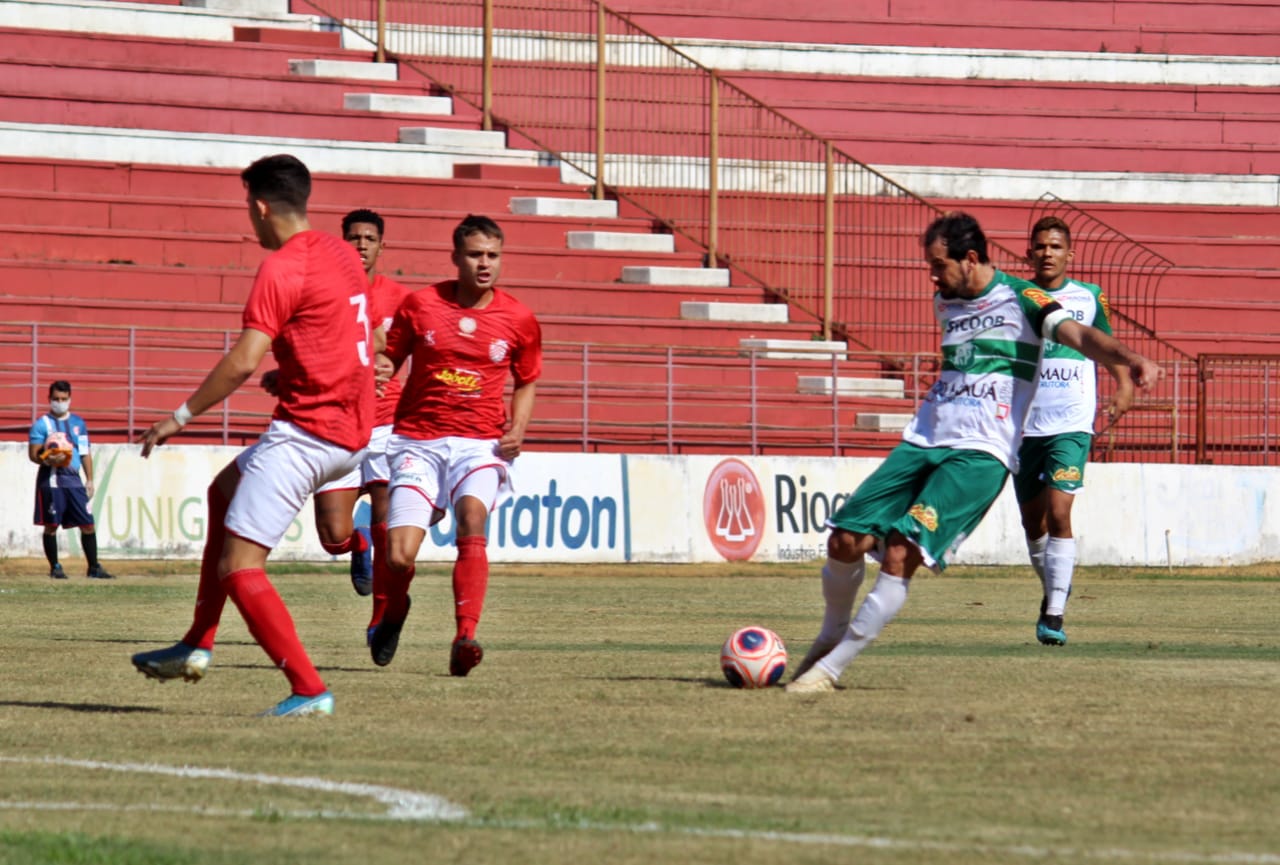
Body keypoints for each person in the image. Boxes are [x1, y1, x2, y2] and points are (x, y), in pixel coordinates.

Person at [786, 211, 1163, 695]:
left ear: (970, 258)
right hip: (924, 438)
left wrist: (1129, 359)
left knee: (901, 553)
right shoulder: (946, 298)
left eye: (938, 264)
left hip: (981, 453)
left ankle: (829, 669)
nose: (932, 275)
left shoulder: (1025, 299)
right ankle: (829, 635)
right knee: (843, 540)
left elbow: (1079, 335)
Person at [130, 153, 376, 717]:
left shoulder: (281, 268)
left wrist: (180, 417)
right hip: (352, 432)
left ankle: (310, 690)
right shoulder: (340, 253)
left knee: (240, 566)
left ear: (262, 207)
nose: (249, 217)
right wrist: (291, 370)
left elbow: (241, 361)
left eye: (248, 207)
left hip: (310, 435)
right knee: (223, 492)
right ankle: (197, 642)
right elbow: (334, 334)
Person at [371, 214, 541, 677]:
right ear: (455, 258)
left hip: (479, 445)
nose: (484, 264)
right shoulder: (421, 305)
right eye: (475, 255)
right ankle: (395, 610)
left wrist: (518, 428)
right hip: (418, 442)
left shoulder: (519, 318)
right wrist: (383, 368)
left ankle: (465, 636)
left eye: (493, 255)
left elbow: (526, 380)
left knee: (472, 520)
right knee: (399, 554)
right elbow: (391, 354)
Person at [261, 209, 410, 610]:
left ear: (382, 245)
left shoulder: (401, 298)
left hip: (383, 424)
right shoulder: (325, 289)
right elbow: (306, 342)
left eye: (369, 238)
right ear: (341, 243)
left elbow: (413, 349)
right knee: (333, 536)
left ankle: (383, 614)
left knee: (387, 521)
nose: (361, 245)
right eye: (353, 238)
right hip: (335, 422)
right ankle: (356, 542)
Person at [1017, 216, 1133, 647]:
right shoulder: (1017, 297)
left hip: (1071, 421)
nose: (1047, 252)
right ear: (1030, 253)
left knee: (1060, 512)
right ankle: (1053, 592)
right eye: (1040, 246)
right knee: (1034, 523)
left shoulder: (1088, 297)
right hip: (1024, 425)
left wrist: (1123, 384)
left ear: (1070, 253)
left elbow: (1104, 344)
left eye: (1055, 246)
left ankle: (1055, 614)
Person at [28, 380, 113, 580]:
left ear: (70, 399)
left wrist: (90, 479)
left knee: (88, 524)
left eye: (64, 399)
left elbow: (84, 452)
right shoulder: (42, 425)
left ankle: (93, 567)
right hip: (52, 480)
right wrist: (47, 458)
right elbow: (33, 454)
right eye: (56, 399)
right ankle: (55, 567)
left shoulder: (78, 424)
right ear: (49, 399)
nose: (60, 403)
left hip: (74, 480)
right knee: (51, 525)